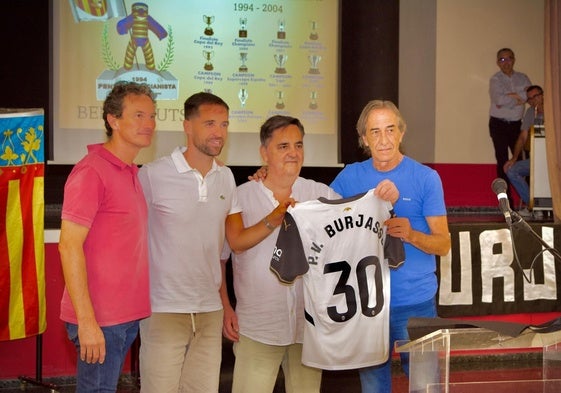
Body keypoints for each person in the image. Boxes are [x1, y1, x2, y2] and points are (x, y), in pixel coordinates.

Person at [137, 93, 290, 393]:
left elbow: (227, 248)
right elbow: (132, 241)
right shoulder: (153, 175)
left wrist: (225, 304)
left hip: (209, 313)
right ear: (187, 126)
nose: (218, 132)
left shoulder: (226, 178)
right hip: (164, 310)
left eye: (224, 124)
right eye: (209, 123)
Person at [329, 100, 451, 393]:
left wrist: (411, 234)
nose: (383, 140)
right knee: (373, 388)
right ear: (363, 139)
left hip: (416, 303)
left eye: (390, 129)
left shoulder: (426, 178)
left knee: (426, 388)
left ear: (401, 133)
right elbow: (324, 224)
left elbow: (444, 244)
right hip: (367, 304)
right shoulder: (348, 178)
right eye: (374, 132)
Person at [224, 115, 343, 393]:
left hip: (308, 327)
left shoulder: (321, 194)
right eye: (283, 146)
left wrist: (384, 200)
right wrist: (226, 307)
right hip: (258, 326)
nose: (293, 153)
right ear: (264, 152)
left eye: (299, 145)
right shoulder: (239, 196)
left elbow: (351, 233)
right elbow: (224, 256)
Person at [58, 81, 156, 393]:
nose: (149, 124)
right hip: (99, 319)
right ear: (113, 120)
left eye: (152, 116)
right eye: (139, 115)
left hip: (124, 318)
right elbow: (68, 245)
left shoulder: (132, 171)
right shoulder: (92, 171)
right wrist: (87, 322)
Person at [488, 48, 531, 202]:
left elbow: (529, 96)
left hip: (516, 126)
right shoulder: (495, 80)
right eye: (502, 59)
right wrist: (518, 98)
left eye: (509, 58)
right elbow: (499, 101)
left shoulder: (523, 78)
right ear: (497, 62)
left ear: (514, 59)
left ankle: (529, 202)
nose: (506, 62)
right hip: (498, 124)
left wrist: (510, 96)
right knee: (502, 161)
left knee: (520, 163)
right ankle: (507, 203)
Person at [503, 85, 544, 218]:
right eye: (530, 99)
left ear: (543, 95)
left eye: (535, 96)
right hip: (536, 158)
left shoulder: (554, 109)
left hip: (554, 158)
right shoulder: (530, 112)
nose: (533, 100)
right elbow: (522, 137)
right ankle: (533, 206)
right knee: (511, 170)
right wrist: (514, 158)